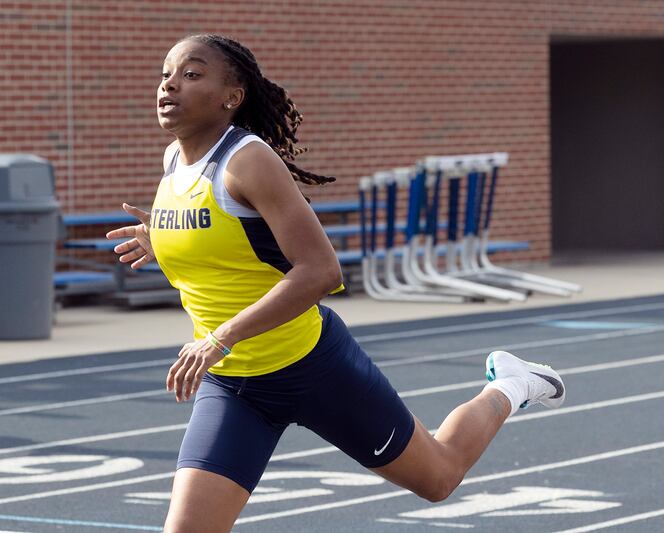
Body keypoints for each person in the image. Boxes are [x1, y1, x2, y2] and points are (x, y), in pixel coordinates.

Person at [107, 33, 565, 533]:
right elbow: (225, 241)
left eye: (191, 74)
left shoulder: (248, 161)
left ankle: (511, 384)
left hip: (312, 369)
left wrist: (220, 339)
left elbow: (321, 271)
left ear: (231, 97)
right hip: (234, 385)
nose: (169, 85)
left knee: (439, 477)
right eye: (166, 74)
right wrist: (162, 239)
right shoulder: (174, 161)